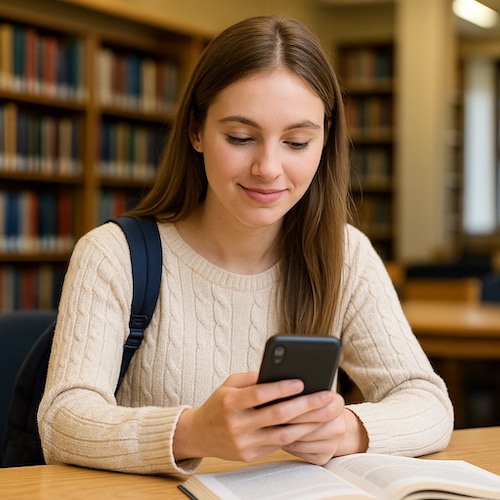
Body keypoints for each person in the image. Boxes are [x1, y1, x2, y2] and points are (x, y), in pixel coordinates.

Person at [38, 15, 453, 477]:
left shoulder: (345, 254)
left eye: (297, 142)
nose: (268, 167)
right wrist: (194, 431)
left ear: (324, 141)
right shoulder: (113, 255)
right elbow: (62, 421)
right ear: (196, 131)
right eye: (241, 137)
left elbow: (428, 401)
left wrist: (347, 429)